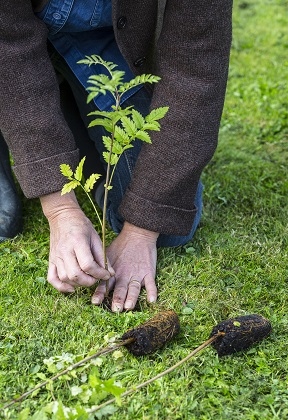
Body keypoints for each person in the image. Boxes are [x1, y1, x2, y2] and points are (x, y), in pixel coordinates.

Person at [0, 0, 233, 312]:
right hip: (8, 42)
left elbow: (197, 63)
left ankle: (65, 99)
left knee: (166, 227)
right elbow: (8, 45)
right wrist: (60, 209)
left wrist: (140, 232)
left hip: (97, 41)